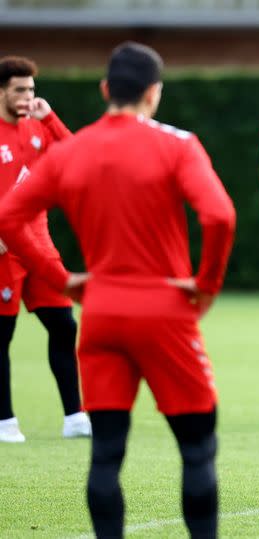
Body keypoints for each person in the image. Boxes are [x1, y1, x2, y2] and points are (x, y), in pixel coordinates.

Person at [0, 42, 236, 537]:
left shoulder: (69, 150)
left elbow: (10, 217)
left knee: (106, 452)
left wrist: (61, 278)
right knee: (196, 449)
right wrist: (206, 286)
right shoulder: (178, 144)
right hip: (166, 311)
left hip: (102, 313)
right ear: (154, 93)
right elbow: (219, 216)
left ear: (106, 89)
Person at [0, 55, 91, 443]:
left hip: (38, 245)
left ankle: (74, 416)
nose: (26, 96)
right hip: (3, 250)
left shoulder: (39, 127)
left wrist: (50, 116)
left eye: (31, 89)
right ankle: (4, 421)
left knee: (63, 324)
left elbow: (80, 156)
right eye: (19, 89)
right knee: (2, 334)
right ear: (1, 91)